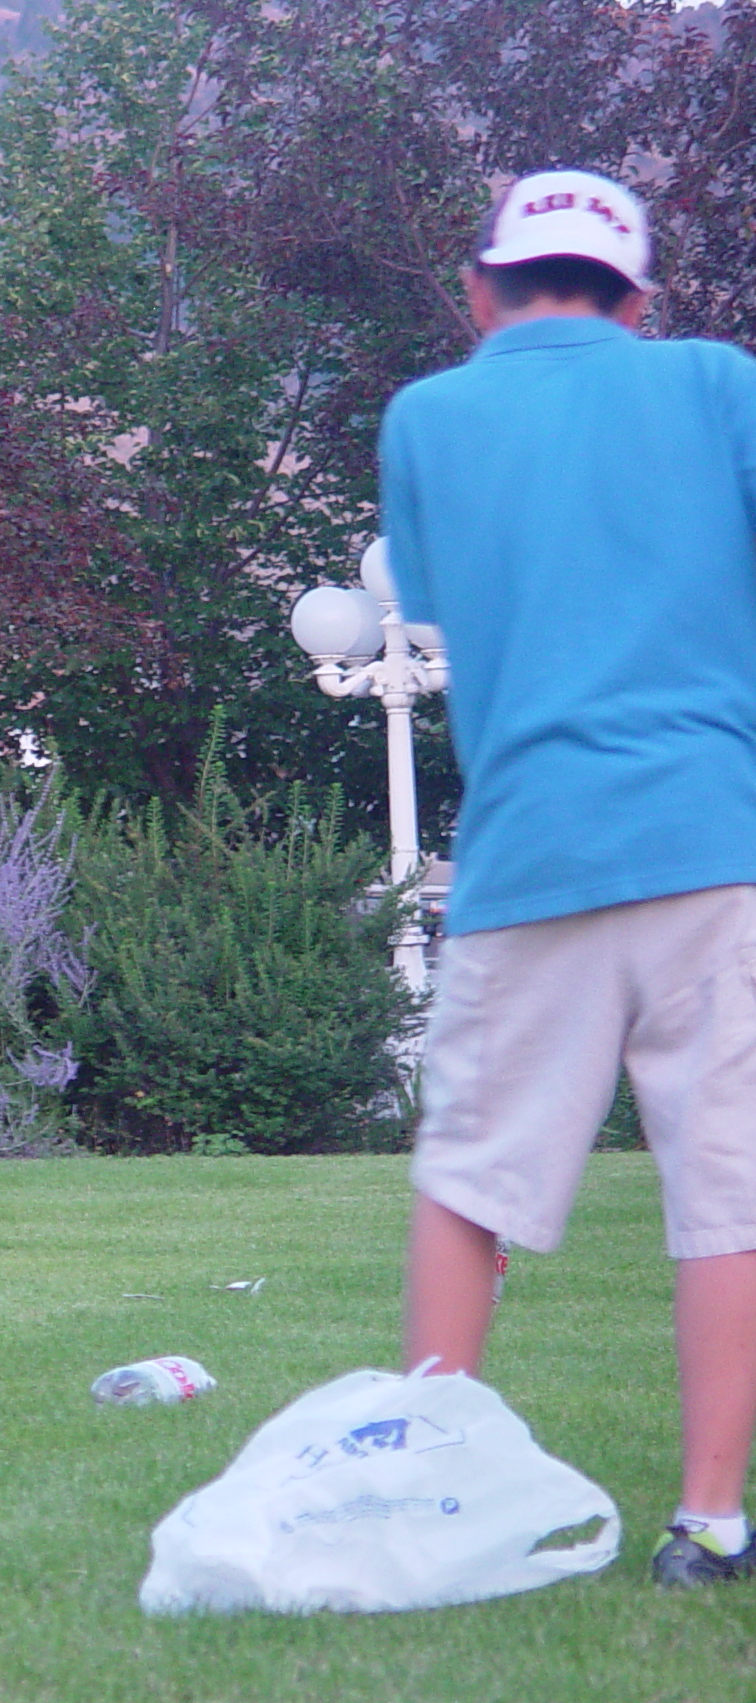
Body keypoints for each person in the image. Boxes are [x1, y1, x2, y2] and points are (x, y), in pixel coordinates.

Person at [380, 168, 756, 1587]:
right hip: (714, 835)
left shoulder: (429, 416)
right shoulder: (723, 387)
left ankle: (424, 1497)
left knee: (472, 1176)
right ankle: (709, 1523)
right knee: (728, 1189)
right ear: (637, 300)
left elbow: (431, 600)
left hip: (531, 843)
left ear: (481, 291)